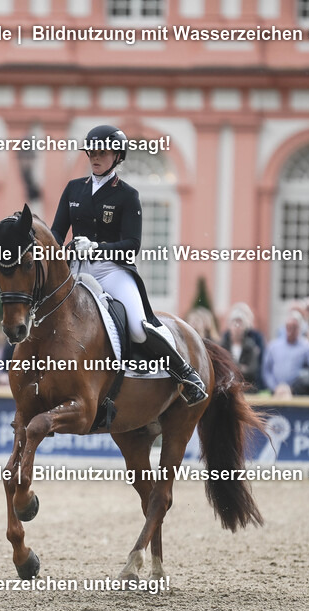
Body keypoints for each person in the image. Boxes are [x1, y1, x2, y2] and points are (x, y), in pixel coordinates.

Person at [51, 123, 206, 405]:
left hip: (112, 271)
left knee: (136, 327)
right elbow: (57, 233)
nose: (95, 158)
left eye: (102, 152)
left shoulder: (126, 195)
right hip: (76, 271)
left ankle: (185, 373)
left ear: (117, 156)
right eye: (91, 153)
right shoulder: (74, 189)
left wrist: (97, 248)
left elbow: (132, 245)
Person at [262, 312, 309, 398]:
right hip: (275, 394)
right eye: (288, 327)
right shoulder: (273, 346)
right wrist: (275, 387)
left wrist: (293, 388)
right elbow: (266, 370)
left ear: (300, 328)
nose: (290, 331)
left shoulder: (307, 348)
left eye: (294, 327)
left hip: (297, 396)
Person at [220, 309, 260, 391]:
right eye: (234, 323)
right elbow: (221, 369)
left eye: (240, 324)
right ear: (229, 326)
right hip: (226, 389)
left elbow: (252, 370)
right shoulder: (222, 345)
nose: (237, 327)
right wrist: (241, 367)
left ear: (245, 327)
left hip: (246, 389)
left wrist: (232, 367)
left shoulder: (251, 346)